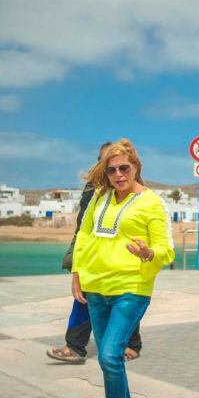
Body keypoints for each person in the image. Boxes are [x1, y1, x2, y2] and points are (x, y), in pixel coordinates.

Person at [70, 139, 174, 398]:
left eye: (124, 168)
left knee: (109, 356)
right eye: (112, 169)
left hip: (132, 287)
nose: (118, 175)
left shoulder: (152, 202)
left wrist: (148, 253)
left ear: (136, 167)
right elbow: (85, 235)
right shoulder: (100, 197)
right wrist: (77, 274)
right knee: (108, 358)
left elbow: (166, 249)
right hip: (96, 287)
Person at [48, 142, 142, 364]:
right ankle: (75, 345)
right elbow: (83, 224)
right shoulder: (93, 189)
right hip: (92, 254)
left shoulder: (136, 192)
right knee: (82, 298)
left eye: (122, 167)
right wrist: (76, 257)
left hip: (122, 261)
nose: (114, 171)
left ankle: (131, 343)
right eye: (106, 163)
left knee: (125, 299)